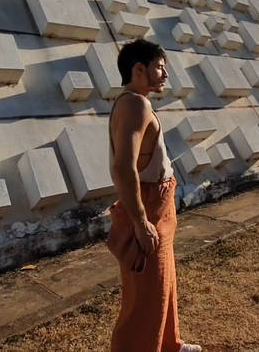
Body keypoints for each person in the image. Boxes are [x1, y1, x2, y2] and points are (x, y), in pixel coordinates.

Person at [107, 39, 201, 352]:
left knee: (164, 285)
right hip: (148, 208)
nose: (164, 74)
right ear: (138, 69)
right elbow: (123, 168)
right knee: (146, 295)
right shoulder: (135, 103)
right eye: (159, 67)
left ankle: (170, 345)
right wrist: (140, 222)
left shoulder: (134, 102)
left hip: (158, 206)